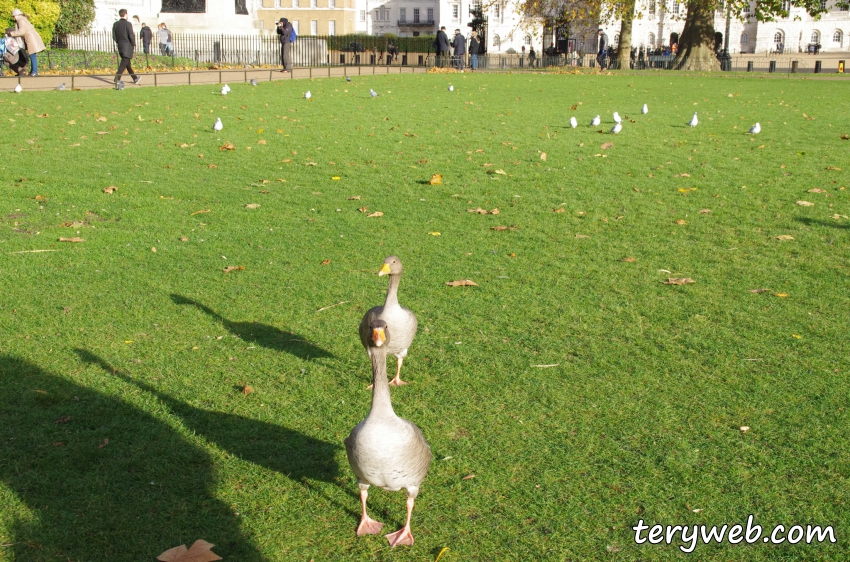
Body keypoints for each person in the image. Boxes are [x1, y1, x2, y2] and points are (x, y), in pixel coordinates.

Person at [9, 9, 45, 76]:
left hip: (31, 39)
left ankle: (34, 72)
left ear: (16, 15)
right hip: (31, 38)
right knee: (32, 55)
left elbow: (21, 31)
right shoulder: (23, 19)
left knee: (32, 56)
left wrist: (11, 33)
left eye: (13, 16)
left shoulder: (21, 20)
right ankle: (33, 71)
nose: (13, 18)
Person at [112, 9, 140, 86]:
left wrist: (119, 41)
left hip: (120, 45)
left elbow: (114, 36)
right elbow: (131, 35)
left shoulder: (115, 24)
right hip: (127, 46)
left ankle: (135, 78)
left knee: (127, 64)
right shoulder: (128, 24)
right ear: (125, 14)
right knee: (124, 62)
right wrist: (133, 43)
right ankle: (117, 78)